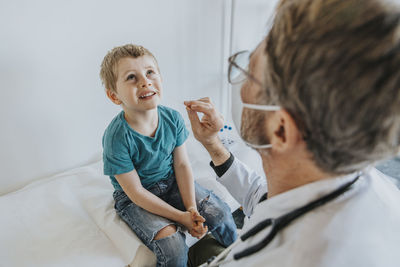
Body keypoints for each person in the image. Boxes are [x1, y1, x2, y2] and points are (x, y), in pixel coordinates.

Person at [184, 0, 400, 266]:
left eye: (248, 72)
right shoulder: (353, 180)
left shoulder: (284, 258)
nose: (239, 85)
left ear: (281, 128)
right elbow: (264, 197)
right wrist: (213, 145)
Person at [99, 44, 237, 267]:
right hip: (137, 199)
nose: (145, 81)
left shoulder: (172, 118)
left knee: (219, 212)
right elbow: (135, 192)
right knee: (172, 246)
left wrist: (191, 207)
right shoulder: (116, 137)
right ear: (114, 96)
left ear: (160, 78)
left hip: (172, 181)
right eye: (132, 77)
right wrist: (180, 217)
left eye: (150, 72)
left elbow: (182, 165)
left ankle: (239, 255)